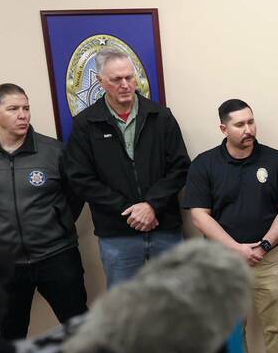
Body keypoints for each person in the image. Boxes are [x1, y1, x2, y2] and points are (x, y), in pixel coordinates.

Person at [183, 99, 278, 353]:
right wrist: (236, 249)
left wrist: (262, 246)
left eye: (250, 122)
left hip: (268, 256)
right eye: (239, 125)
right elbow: (200, 215)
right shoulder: (204, 164)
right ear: (223, 128)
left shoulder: (276, 161)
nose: (248, 129)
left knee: (275, 323)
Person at [0, 84, 88, 340]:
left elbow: (74, 195)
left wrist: (56, 223)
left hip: (56, 254)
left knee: (78, 327)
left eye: (26, 108)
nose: (23, 115)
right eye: (14, 109)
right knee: (9, 331)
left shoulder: (54, 151)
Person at [65, 48, 190, 286]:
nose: (125, 84)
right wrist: (130, 211)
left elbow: (181, 167)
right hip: (117, 233)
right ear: (101, 82)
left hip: (164, 228)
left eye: (129, 77)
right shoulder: (85, 124)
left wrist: (152, 205)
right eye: (116, 79)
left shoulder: (160, 116)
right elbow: (80, 178)